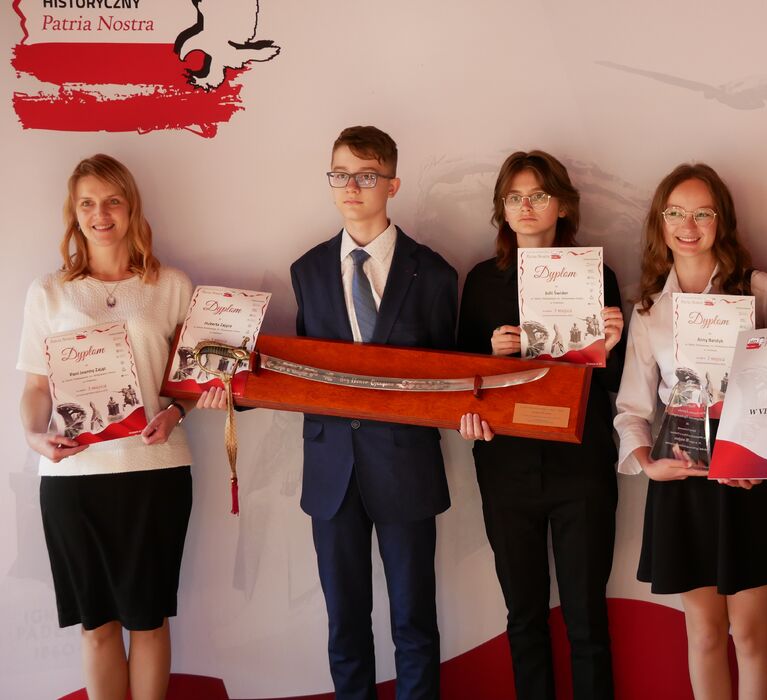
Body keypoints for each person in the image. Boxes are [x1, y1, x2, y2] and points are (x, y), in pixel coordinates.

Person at [220, 125, 455, 700]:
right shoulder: (307, 270)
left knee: (414, 624)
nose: (351, 187)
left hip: (405, 468)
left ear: (392, 184)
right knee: (344, 626)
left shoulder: (435, 274)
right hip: (331, 473)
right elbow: (308, 373)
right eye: (340, 174)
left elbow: (446, 379)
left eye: (366, 176)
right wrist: (234, 387)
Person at [613, 163, 767, 700]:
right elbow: (631, 407)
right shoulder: (649, 310)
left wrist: (760, 461)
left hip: (751, 475)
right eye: (675, 213)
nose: (688, 226)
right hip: (684, 474)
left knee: (749, 633)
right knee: (702, 634)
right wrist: (647, 464)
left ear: (722, 220)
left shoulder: (759, 289)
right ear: (659, 222)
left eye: (703, 213)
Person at [17, 154, 196, 700]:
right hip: (73, 481)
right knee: (96, 626)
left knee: (148, 620)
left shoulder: (171, 285)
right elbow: (36, 388)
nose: (101, 214)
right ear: (74, 213)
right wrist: (34, 436)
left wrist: (175, 412)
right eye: (88, 203)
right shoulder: (48, 292)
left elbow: (190, 382)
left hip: (154, 472)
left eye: (113, 201)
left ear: (131, 207)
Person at [458, 150, 625, 700]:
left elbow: (614, 383)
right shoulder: (481, 281)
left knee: (586, 617)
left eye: (538, 195)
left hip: (581, 464)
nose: (525, 207)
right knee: (524, 616)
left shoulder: (597, 276)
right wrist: (490, 356)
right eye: (514, 197)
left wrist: (612, 344)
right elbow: (461, 383)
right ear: (502, 209)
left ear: (563, 206)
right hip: (506, 466)